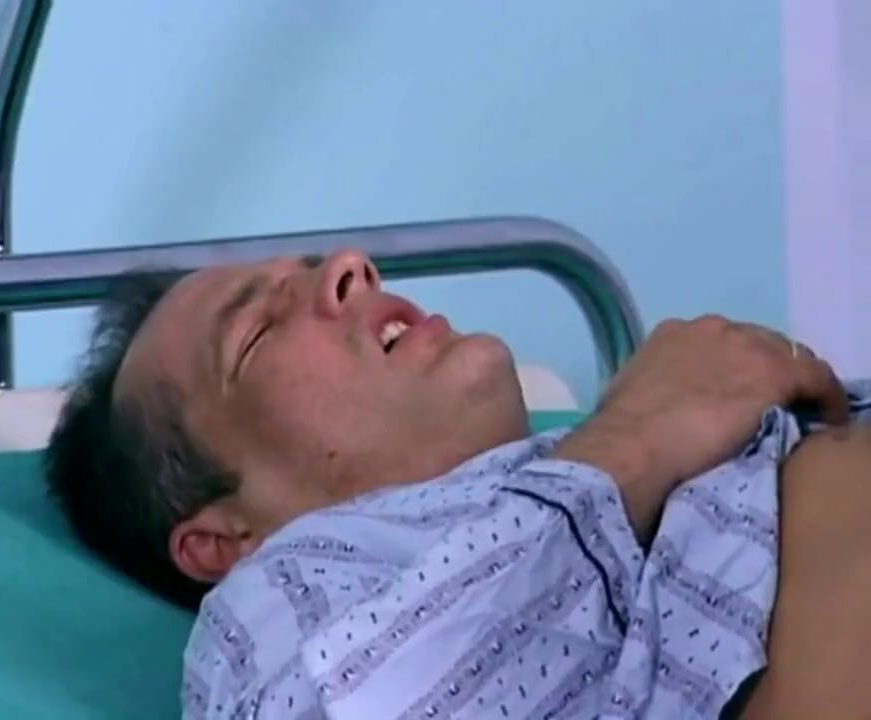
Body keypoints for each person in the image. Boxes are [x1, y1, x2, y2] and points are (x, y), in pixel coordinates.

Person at [45, 250, 871, 719]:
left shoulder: (606, 461)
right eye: (258, 331)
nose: (352, 267)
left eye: (322, 266)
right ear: (224, 538)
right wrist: (639, 432)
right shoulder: (275, 600)